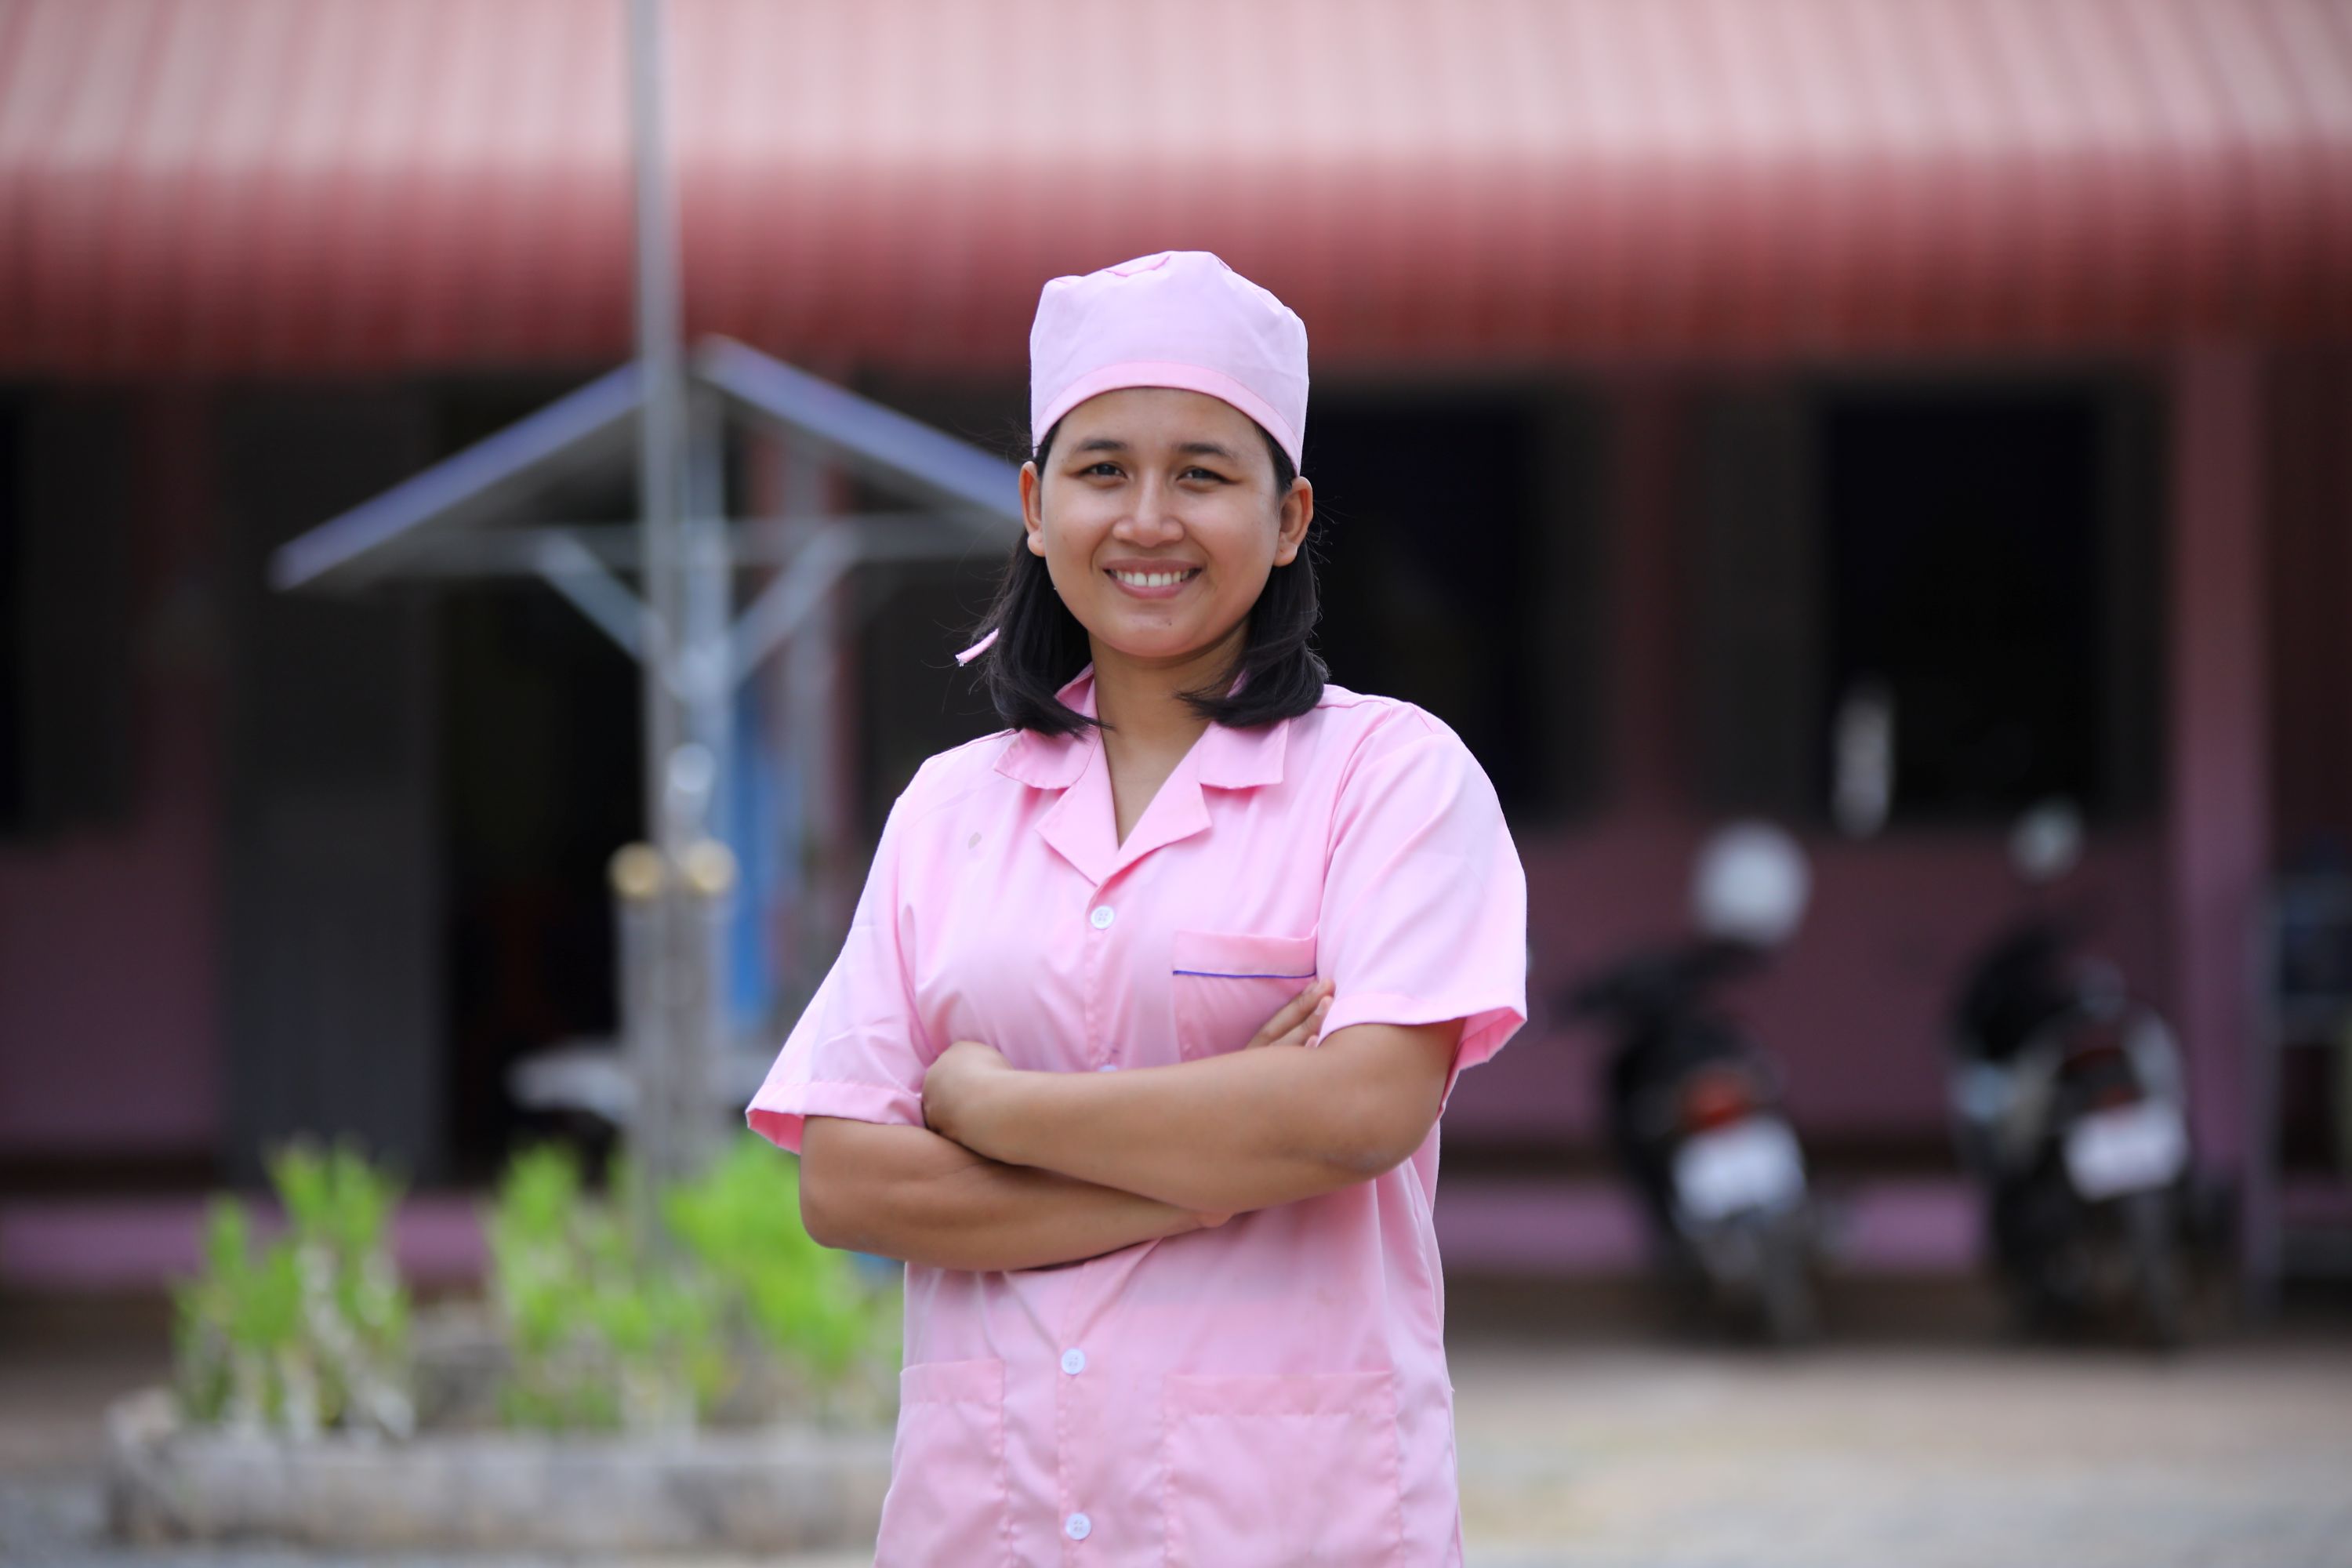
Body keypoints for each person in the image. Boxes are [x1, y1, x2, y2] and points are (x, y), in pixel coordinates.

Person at [747, 249, 1527, 1566]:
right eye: (1103, 470)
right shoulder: (948, 811)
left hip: (1293, 1525)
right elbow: (848, 1178)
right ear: (1035, 507)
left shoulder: (1391, 781)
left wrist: (996, 1112)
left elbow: (1359, 1111)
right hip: (987, 1524)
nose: (1148, 518)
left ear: (1288, 519)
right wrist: (1226, 1159)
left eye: (1205, 474)